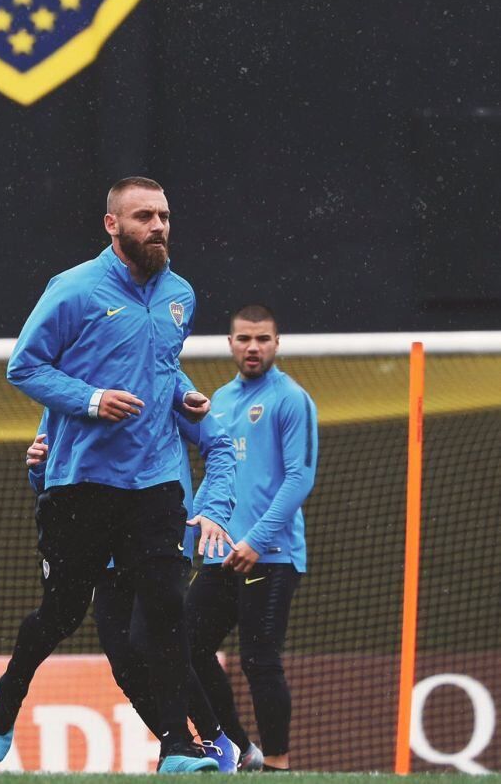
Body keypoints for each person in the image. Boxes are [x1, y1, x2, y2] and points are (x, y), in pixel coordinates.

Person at [0, 176, 221, 773]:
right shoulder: (73, 290)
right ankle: (7, 695)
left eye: (164, 215)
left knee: (165, 604)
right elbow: (24, 367)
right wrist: (91, 400)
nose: (158, 226)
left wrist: (185, 395)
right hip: (81, 480)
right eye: (143, 217)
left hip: (157, 477)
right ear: (112, 225)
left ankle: (178, 748)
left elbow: (161, 368)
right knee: (62, 613)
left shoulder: (181, 295)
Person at [25, 407, 240, 772]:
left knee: (150, 638)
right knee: (124, 661)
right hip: (103, 546)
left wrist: (213, 507)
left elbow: (218, 444)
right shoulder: (62, 396)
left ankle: (217, 741)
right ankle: (186, 750)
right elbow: (56, 476)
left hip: (159, 533)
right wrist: (38, 467)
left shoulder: (161, 374)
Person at [185, 304, 318, 773]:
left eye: (263, 339)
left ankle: (279, 766)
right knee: (185, 644)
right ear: (230, 344)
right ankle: (241, 750)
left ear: (277, 344)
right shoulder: (218, 400)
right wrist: (198, 526)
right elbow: (216, 474)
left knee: (259, 660)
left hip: (272, 555)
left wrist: (257, 540)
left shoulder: (291, 399)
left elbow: (299, 478)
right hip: (224, 554)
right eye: (244, 339)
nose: (253, 347)